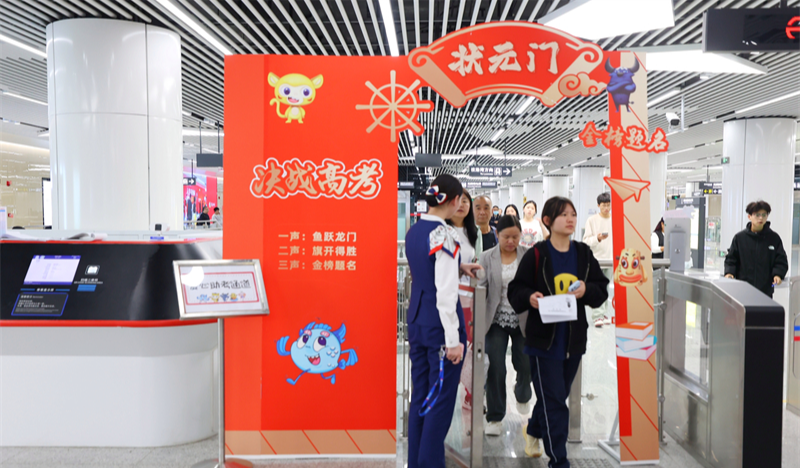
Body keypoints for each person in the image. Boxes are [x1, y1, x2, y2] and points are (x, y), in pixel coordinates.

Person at [508, 196, 609, 463]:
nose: (570, 219)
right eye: (563, 215)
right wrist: (529, 297)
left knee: (553, 398)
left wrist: (587, 289)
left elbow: (601, 290)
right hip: (543, 343)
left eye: (573, 214)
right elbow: (515, 290)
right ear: (547, 221)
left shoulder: (583, 254)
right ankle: (559, 460)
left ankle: (533, 429)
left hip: (573, 342)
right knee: (555, 404)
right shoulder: (537, 254)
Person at [404, 174, 481, 468]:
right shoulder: (445, 235)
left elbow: (427, 269)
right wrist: (453, 340)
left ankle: (417, 462)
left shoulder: (415, 230)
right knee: (439, 403)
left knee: (421, 397)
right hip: (441, 328)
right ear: (455, 200)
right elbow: (446, 293)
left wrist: (458, 266)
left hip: (418, 321)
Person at [479, 215, 532, 436]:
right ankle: (495, 416)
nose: (511, 241)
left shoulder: (529, 255)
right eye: (506, 237)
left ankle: (522, 392)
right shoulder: (486, 257)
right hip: (495, 320)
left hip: (523, 318)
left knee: (526, 363)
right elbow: (480, 288)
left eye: (515, 237)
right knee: (496, 367)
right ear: (497, 235)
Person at [724, 200, 788, 298]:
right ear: (749, 216)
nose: (761, 218)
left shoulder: (774, 238)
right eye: (757, 215)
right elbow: (731, 259)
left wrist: (778, 274)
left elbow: (781, 260)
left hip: (765, 292)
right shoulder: (739, 238)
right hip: (743, 291)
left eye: (764, 215)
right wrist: (729, 273)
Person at [582, 192, 613, 327]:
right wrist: (598, 238)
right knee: (597, 287)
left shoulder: (615, 220)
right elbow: (586, 241)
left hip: (611, 259)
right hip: (597, 260)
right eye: (603, 205)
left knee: (605, 288)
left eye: (608, 205)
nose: (606, 208)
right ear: (598, 205)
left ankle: (603, 313)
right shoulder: (592, 220)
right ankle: (597, 316)